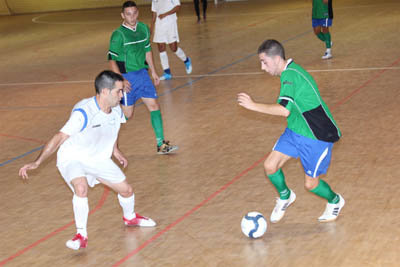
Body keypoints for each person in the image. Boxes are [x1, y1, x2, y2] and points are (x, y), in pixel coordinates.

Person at [18, 70, 156, 251]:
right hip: (73, 157)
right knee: (81, 188)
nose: (122, 95)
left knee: (127, 191)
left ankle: (130, 218)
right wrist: (37, 162)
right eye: (119, 91)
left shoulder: (115, 109)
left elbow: (113, 128)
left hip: (98, 158)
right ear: (105, 92)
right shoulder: (83, 112)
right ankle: (81, 235)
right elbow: (59, 137)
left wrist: (115, 150)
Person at [237, 39, 345, 223]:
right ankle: (285, 196)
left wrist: (253, 106)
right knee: (270, 166)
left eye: (265, 62)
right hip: (296, 129)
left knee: (311, 185)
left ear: (277, 58)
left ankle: (335, 201)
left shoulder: (290, 76)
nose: (263, 68)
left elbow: (284, 110)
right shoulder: (289, 73)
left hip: (316, 136)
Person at [108, 1, 178, 154]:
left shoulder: (144, 29)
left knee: (154, 106)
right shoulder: (118, 35)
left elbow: (147, 51)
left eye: (134, 13)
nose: (131, 17)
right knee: (127, 114)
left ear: (137, 13)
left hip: (143, 75)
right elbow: (111, 60)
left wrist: (153, 72)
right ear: (122, 15)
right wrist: (120, 81)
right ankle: (106, 135)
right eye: (128, 14)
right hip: (127, 78)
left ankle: (161, 145)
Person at [151, 0, 192, 80]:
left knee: (174, 48)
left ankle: (186, 60)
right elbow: (154, 13)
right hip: (159, 24)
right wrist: (151, 27)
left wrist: (165, 14)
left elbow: (178, 7)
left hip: (170, 23)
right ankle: (167, 72)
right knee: (161, 48)